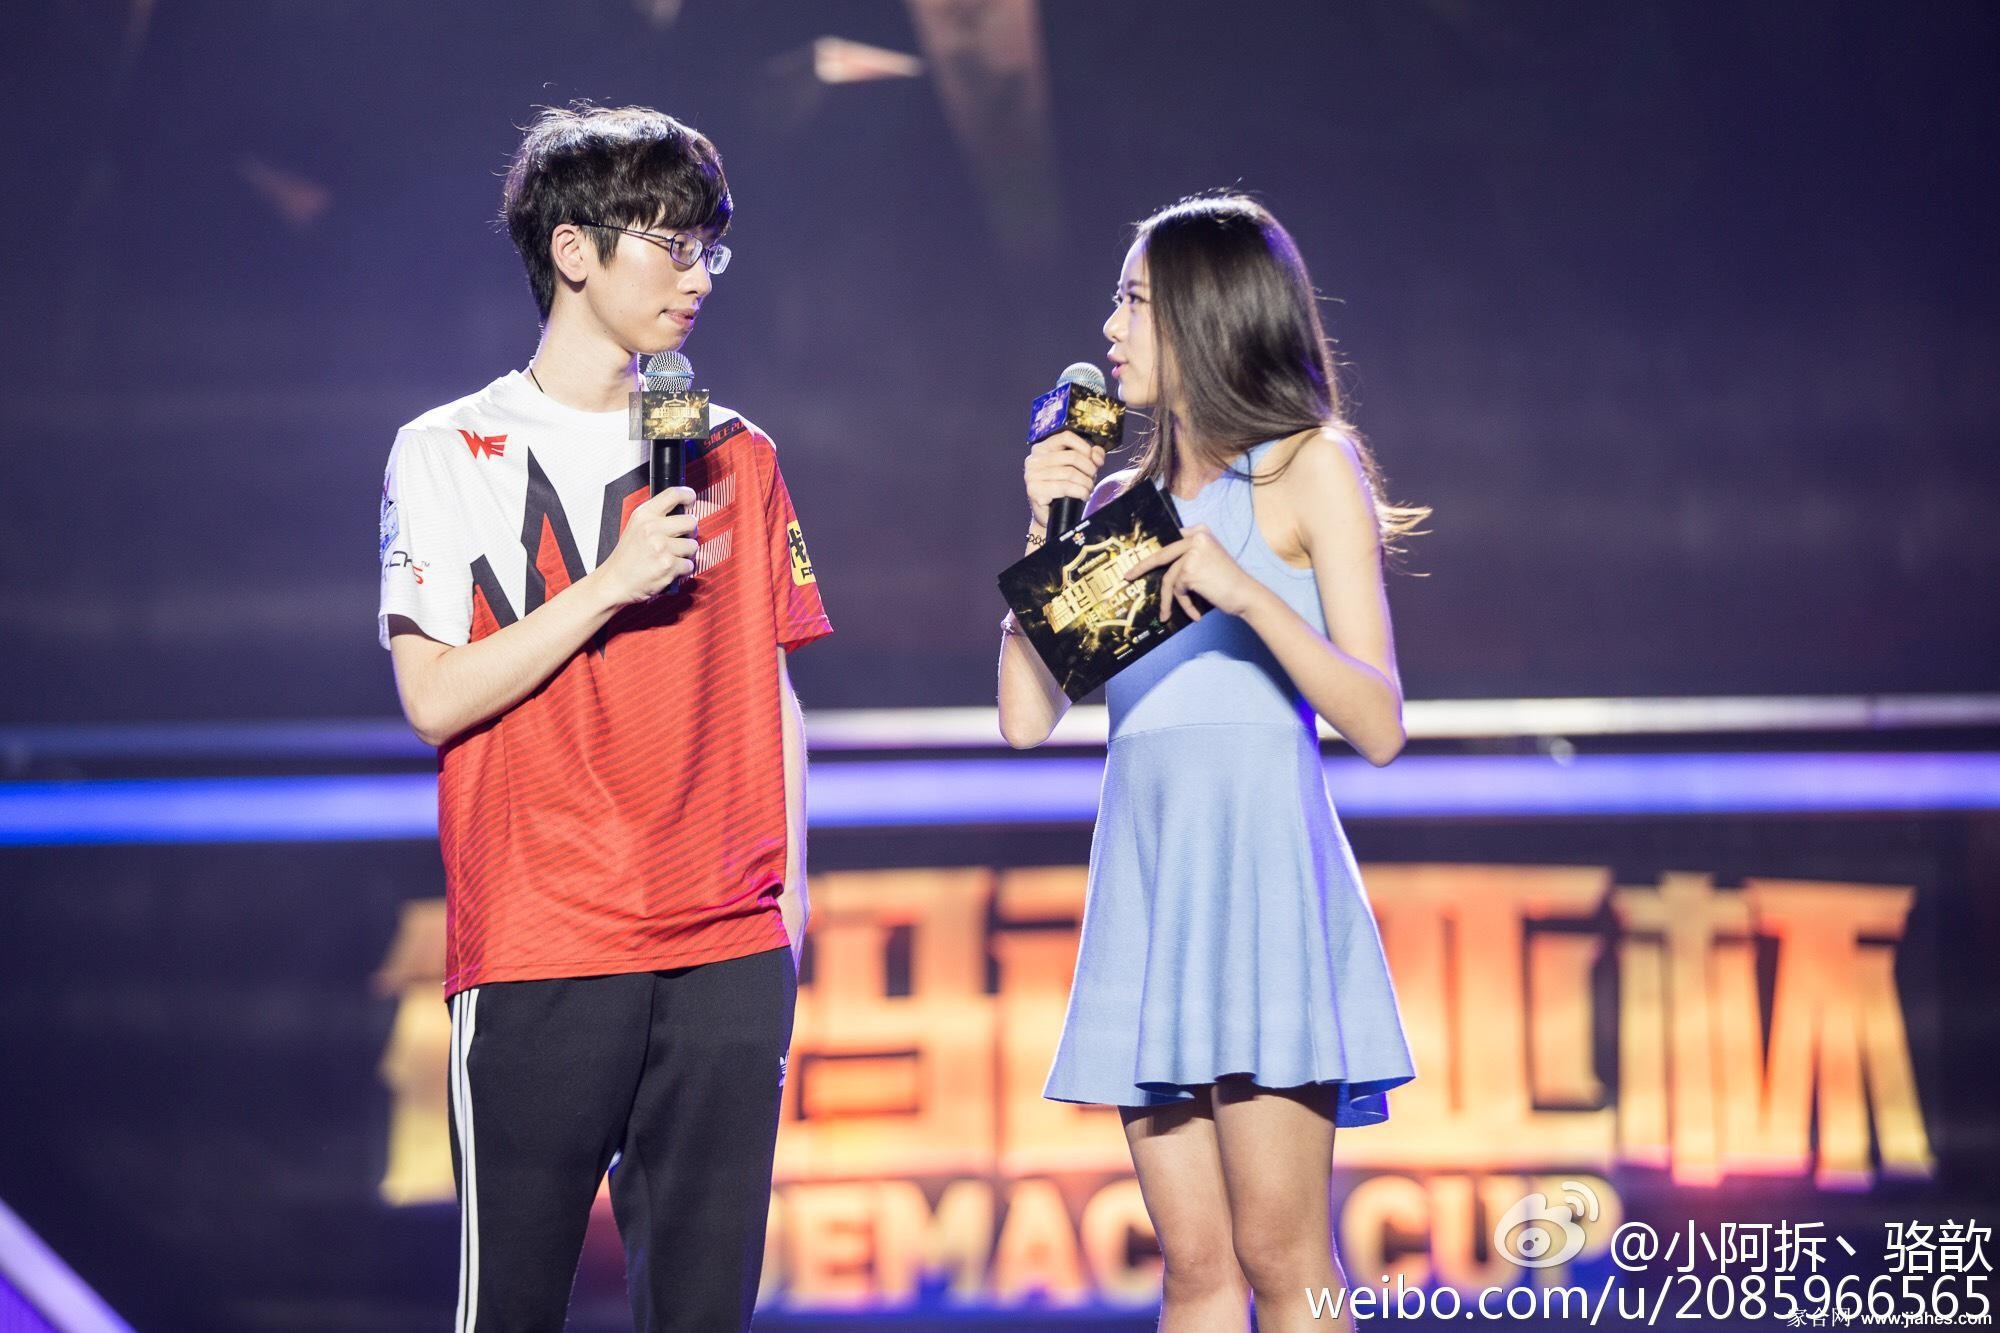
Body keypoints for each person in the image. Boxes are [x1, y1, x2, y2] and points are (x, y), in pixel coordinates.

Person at [376, 103, 831, 1332]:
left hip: (724, 947)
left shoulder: (736, 452)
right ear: (572, 251)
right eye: (669, 246)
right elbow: (432, 698)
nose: (698, 277)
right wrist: (611, 583)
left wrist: (786, 907)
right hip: (543, 939)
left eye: (708, 248)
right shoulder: (448, 449)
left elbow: (774, 692)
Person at [997, 194, 1425, 1333]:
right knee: (1194, 1268)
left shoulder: (1307, 470)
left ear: (1206, 312)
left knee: (1282, 1255)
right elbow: (1024, 719)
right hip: (1150, 892)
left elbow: (1379, 723)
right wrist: (1046, 527)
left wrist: (1246, 596)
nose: (1110, 328)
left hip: (1259, 887)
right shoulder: (1116, 510)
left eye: (1134, 301)